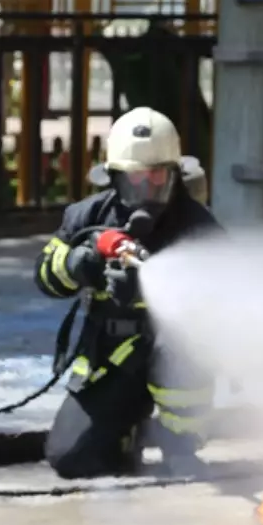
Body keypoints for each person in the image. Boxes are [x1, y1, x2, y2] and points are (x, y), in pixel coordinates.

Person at [35, 106, 219, 479]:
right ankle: (124, 432)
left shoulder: (198, 227)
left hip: (175, 355)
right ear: (115, 177)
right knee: (71, 459)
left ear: (175, 176)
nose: (147, 189)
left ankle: (180, 442)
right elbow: (44, 277)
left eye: (157, 178)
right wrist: (75, 265)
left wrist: (146, 297)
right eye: (136, 179)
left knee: (183, 350)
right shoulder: (86, 218)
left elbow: (224, 302)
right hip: (113, 357)